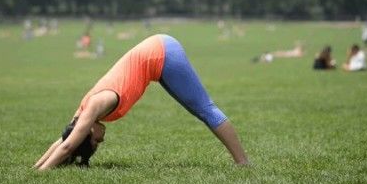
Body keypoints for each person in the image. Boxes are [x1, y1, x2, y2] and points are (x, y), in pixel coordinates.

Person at [34, 34, 249, 170]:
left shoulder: (96, 105)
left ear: (88, 132)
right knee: (202, 110)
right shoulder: (83, 115)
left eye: (96, 142)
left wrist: (41, 176)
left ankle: (243, 163)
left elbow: (69, 145)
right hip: (155, 55)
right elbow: (65, 140)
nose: (101, 141)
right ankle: (242, 162)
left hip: (162, 53)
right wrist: (38, 166)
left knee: (205, 109)